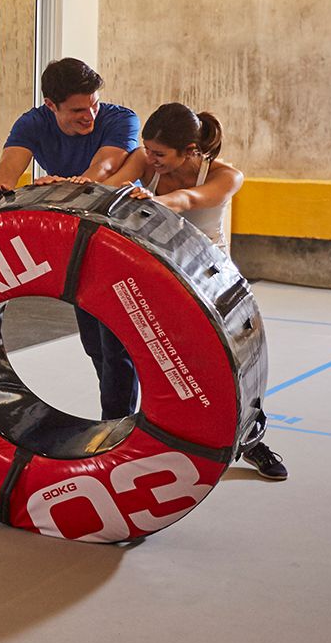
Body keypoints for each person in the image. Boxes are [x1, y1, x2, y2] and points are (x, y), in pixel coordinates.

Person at [103, 102, 287, 481]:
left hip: (207, 275)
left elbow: (188, 200)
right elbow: (106, 188)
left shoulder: (226, 175)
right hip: (158, 267)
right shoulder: (144, 160)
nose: (150, 159)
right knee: (124, 351)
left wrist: (154, 201)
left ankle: (251, 439)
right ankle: (117, 436)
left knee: (222, 364)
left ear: (190, 151)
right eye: (147, 150)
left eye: (160, 154)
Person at [0, 57, 142, 419]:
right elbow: (7, 169)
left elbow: (103, 169)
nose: (90, 116)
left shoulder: (120, 119)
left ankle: (117, 423)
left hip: (124, 238)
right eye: (79, 109)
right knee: (95, 345)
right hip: (83, 239)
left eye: (94, 104)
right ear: (51, 106)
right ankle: (120, 419)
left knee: (117, 347)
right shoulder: (33, 123)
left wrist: (64, 187)